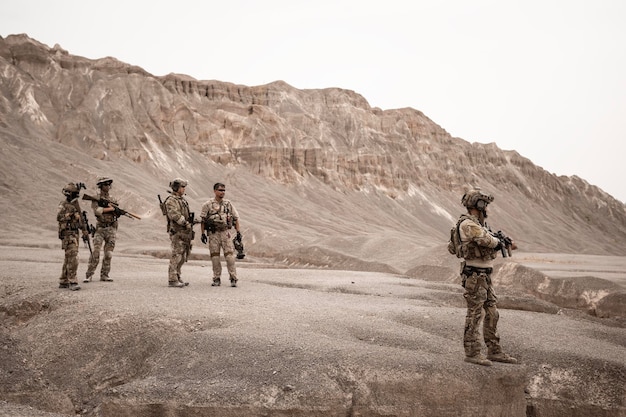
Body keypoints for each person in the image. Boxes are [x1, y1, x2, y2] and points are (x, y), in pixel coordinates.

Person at [456, 188, 518, 366]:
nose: (487, 209)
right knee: (475, 314)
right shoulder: (468, 224)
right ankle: (472, 352)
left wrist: (503, 241)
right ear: (479, 204)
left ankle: (494, 350)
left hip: (484, 275)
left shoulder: (480, 225)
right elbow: (487, 241)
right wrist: (500, 242)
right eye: (485, 204)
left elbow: (491, 239)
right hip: (474, 276)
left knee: (492, 313)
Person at [200, 182, 241, 287]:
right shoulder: (208, 205)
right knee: (215, 257)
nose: (222, 192)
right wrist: (202, 233)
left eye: (224, 190)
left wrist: (238, 232)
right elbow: (203, 220)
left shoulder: (228, 204)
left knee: (229, 257)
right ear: (215, 191)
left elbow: (236, 218)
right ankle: (216, 278)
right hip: (213, 234)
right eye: (220, 190)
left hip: (225, 233)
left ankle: (233, 278)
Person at [85, 177, 119, 282]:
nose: (107, 187)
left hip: (111, 228)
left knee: (108, 254)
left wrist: (116, 211)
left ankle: (105, 275)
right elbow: (97, 211)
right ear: (101, 186)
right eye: (105, 185)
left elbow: (116, 214)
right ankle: (89, 275)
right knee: (95, 252)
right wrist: (111, 209)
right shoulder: (96, 198)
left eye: (109, 185)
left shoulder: (113, 199)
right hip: (100, 228)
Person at [57, 183, 89, 291]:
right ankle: (72, 281)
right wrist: (70, 214)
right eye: (74, 194)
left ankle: (63, 280)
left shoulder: (75, 205)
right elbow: (59, 217)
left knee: (69, 258)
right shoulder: (64, 204)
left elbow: (80, 220)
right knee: (73, 257)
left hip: (75, 233)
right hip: (67, 234)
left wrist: (84, 229)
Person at [163, 178, 193, 288]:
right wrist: (185, 222)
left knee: (183, 255)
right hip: (177, 231)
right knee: (176, 255)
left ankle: (177, 276)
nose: (184, 189)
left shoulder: (182, 200)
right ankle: (172, 279)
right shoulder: (171, 200)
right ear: (176, 187)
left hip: (184, 232)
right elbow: (174, 215)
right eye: (182, 187)